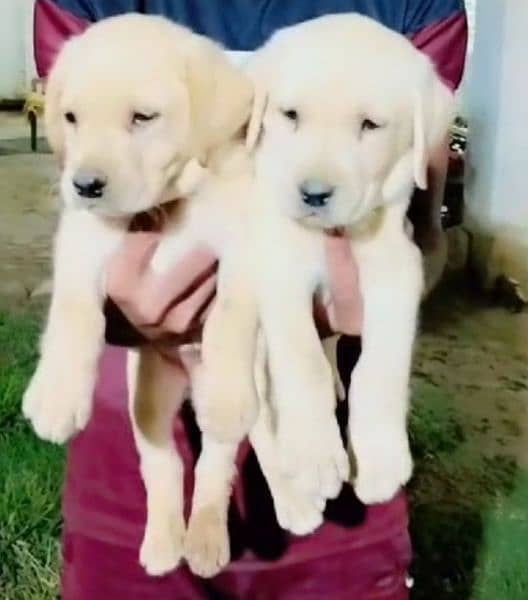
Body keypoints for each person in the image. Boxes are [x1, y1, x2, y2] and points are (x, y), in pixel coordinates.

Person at [34, 1, 468, 598]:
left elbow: (424, 229)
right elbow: (89, 185)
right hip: (133, 464)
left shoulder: (412, 7)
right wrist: (110, 314)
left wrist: (365, 305)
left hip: (329, 475)